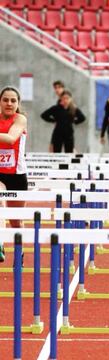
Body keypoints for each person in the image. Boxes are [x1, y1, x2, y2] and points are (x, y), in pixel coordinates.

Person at [0, 86, 28, 263]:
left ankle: (20, 252)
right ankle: (0, 243)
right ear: (0, 102)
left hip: (17, 175)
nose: (9, 103)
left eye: (13, 100)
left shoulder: (20, 119)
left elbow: (11, 139)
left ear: (18, 104)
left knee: (15, 221)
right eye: (5, 100)